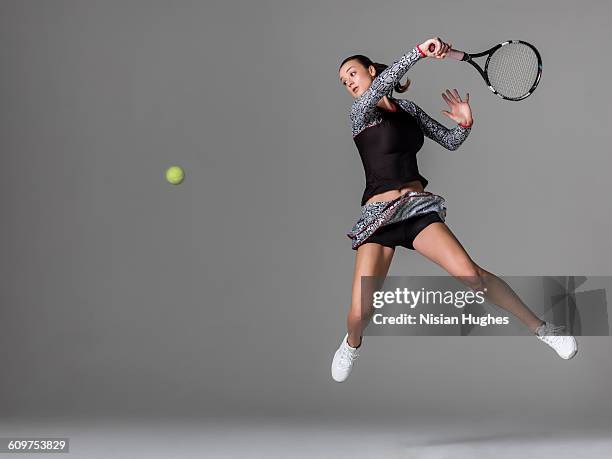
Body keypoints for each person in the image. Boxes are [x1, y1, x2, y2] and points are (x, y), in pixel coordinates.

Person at [331, 36, 577, 383]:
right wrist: (418, 52)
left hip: (416, 209)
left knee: (472, 275)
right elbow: (382, 87)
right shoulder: (361, 113)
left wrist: (465, 125)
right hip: (378, 218)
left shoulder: (410, 111)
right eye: (344, 82)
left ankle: (544, 329)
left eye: (353, 74)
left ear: (370, 69)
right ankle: (352, 344)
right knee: (360, 312)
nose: (350, 83)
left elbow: (448, 140)